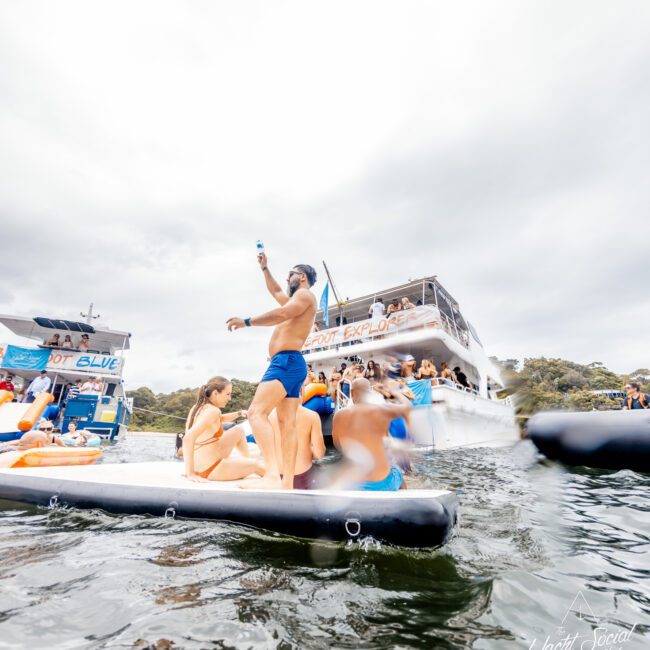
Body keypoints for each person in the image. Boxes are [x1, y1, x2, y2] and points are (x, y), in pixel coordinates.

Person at [226, 252, 318, 490]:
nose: (287, 280)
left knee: (256, 413)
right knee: (287, 423)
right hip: (292, 363)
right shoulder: (297, 299)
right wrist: (265, 269)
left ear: (303, 277)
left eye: (291, 275)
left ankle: (270, 474)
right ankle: (286, 482)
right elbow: (276, 293)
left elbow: (282, 314)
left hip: (285, 362)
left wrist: (246, 321)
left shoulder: (305, 295)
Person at [332, 378, 411, 490]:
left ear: (352, 392)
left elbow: (338, 445)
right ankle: (403, 499)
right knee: (398, 471)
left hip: (353, 484)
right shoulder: (382, 410)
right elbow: (407, 407)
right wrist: (396, 392)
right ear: (369, 393)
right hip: (383, 483)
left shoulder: (339, 415)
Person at [182, 376, 264, 482]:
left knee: (238, 430)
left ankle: (245, 466)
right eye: (227, 394)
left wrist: (239, 413)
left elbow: (221, 418)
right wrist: (190, 474)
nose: (229, 398)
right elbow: (188, 438)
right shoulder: (213, 411)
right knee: (255, 464)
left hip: (203, 466)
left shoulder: (198, 407)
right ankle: (277, 477)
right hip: (211, 470)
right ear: (215, 393)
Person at [270, 403, 326, 489]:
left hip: (278, 477)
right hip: (304, 478)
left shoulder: (269, 416)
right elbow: (319, 453)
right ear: (301, 390)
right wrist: (308, 451)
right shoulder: (311, 416)